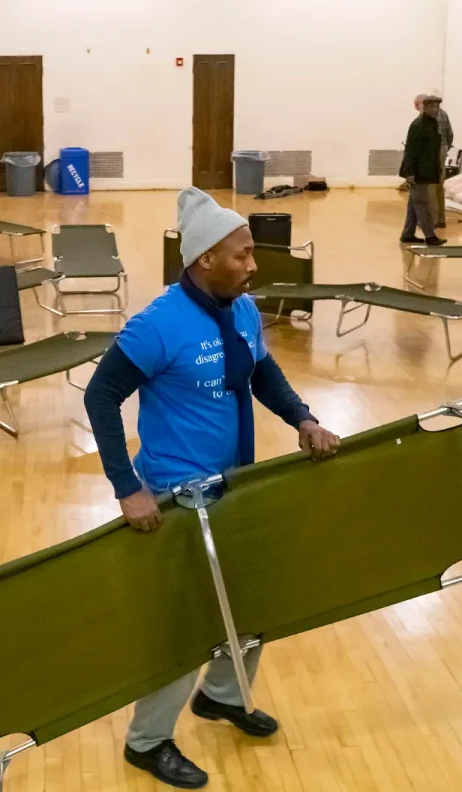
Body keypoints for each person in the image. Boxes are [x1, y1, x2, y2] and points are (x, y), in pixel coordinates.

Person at [83, 187, 341, 789]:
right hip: (177, 497)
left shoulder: (243, 308)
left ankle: (222, 696)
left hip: (235, 486)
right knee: (189, 623)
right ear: (204, 259)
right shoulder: (158, 324)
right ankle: (147, 742)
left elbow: (261, 371)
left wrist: (302, 418)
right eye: (243, 255)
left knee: (250, 603)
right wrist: (126, 487)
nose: (254, 265)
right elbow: (101, 398)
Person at [400, 95, 446, 246]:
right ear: (423, 108)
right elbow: (410, 150)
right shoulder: (418, 125)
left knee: (414, 204)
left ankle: (407, 234)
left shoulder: (432, 124)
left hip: (427, 170)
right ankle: (430, 236)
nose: (435, 109)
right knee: (422, 203)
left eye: (436, 107)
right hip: (418, 171)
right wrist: (409, 173)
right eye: (431, 107)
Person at [415, 93, 454, 229]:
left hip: (432, 151)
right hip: (443, 149)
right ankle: (441, 219)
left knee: (430, 185)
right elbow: (450, 134)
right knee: (439, 185)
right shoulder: (444, 114)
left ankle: (433, 219)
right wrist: (446, 147)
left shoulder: (425, 116)